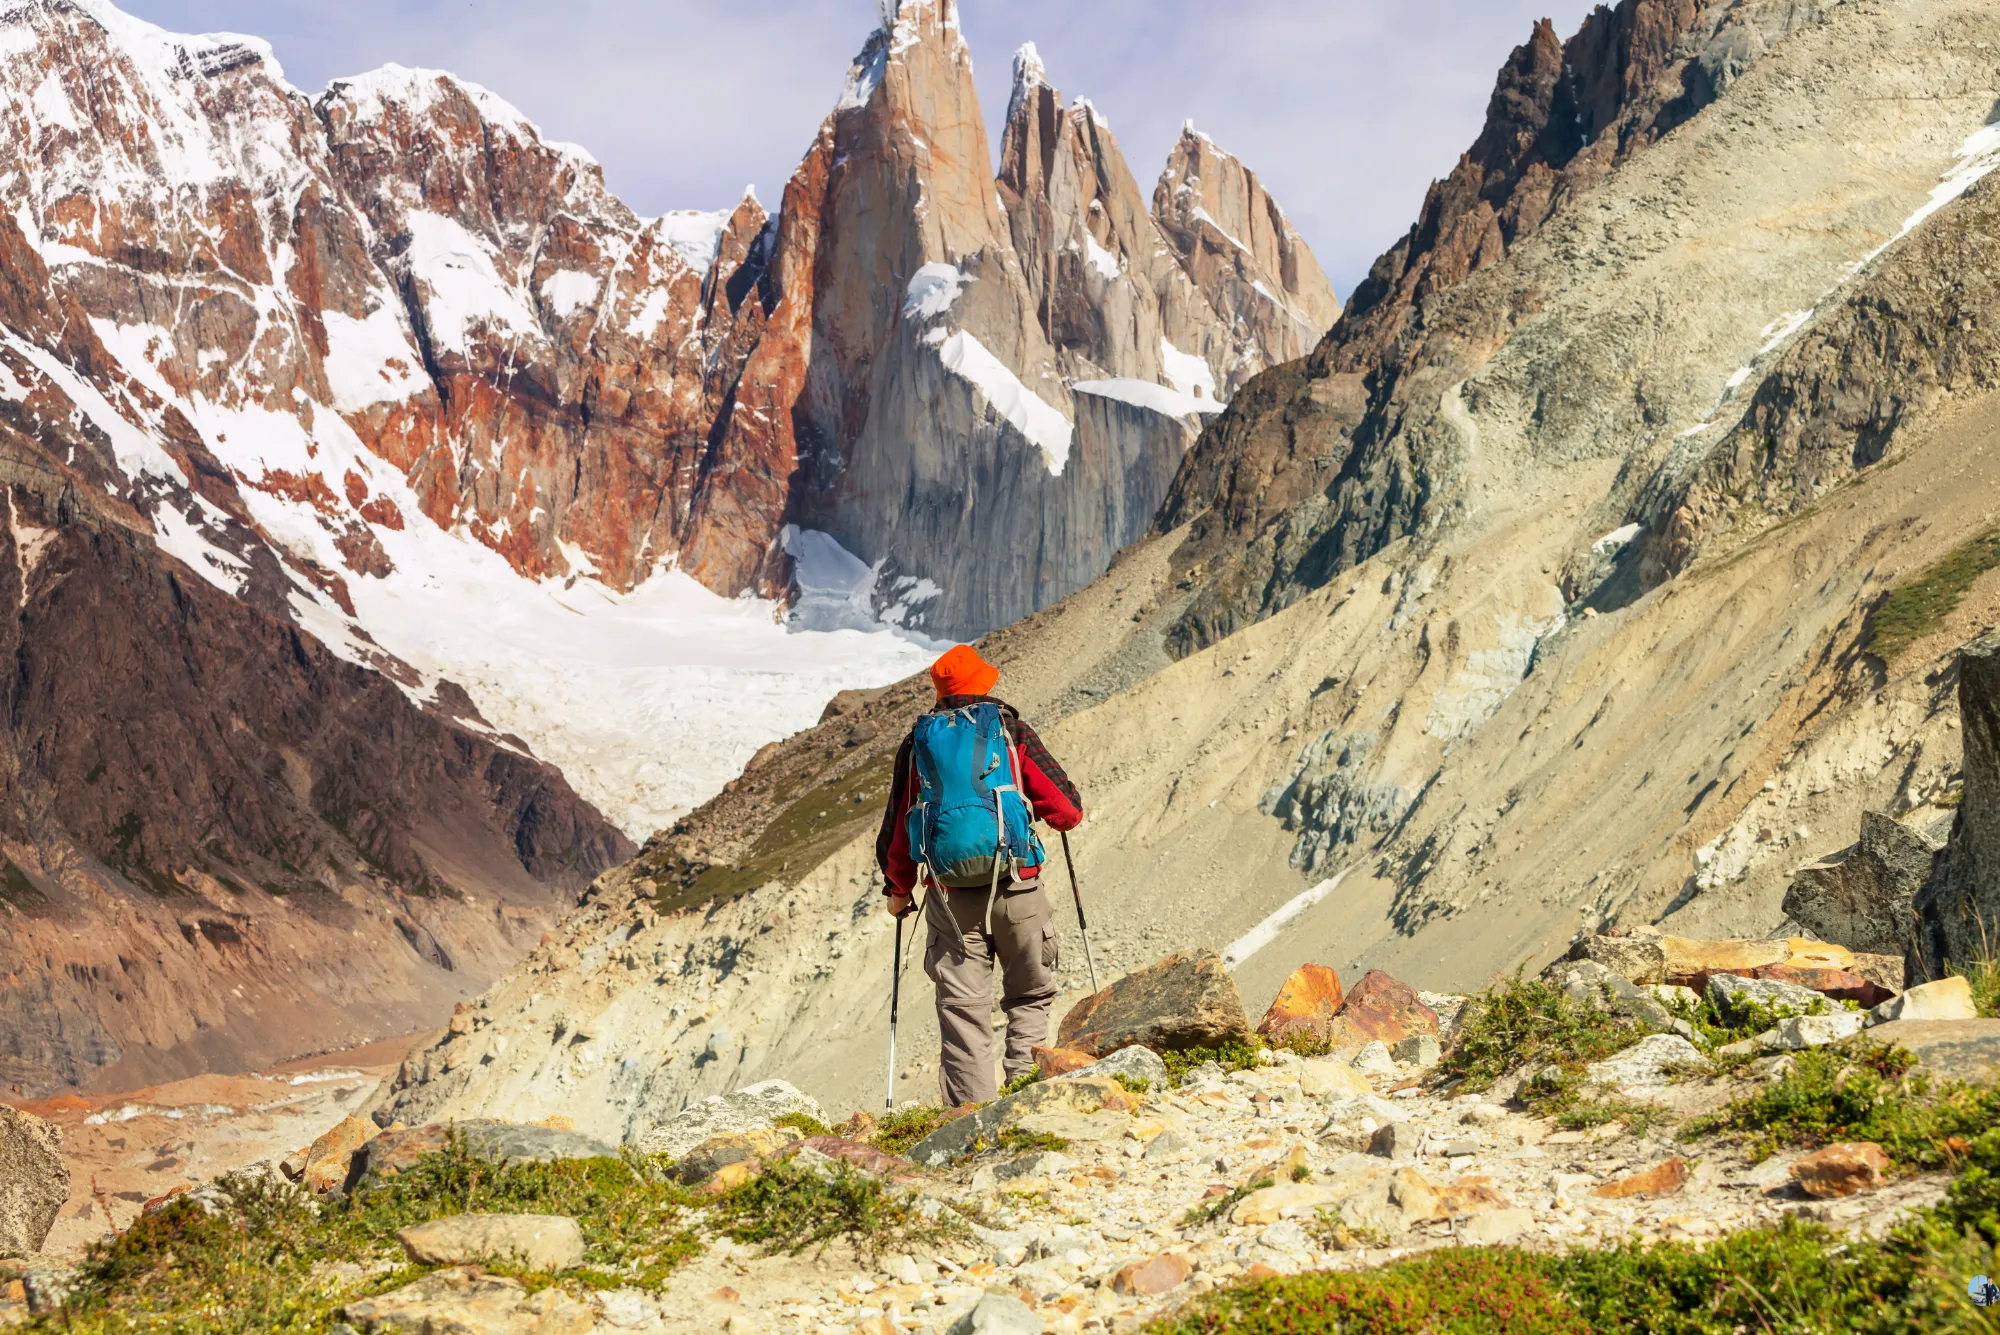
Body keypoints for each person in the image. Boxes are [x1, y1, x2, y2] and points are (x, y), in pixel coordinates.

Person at [877, 644, 1085, 1106]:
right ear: (983, 683)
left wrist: (897, 889)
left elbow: (897, 825)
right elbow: (1067, 811)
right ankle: (1027, 1101)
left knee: (963, 1014)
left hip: (950, 900)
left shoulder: (919, 744)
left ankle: (970, 1124)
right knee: (1029, 996)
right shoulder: (1008, 730)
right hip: (1018, 887)